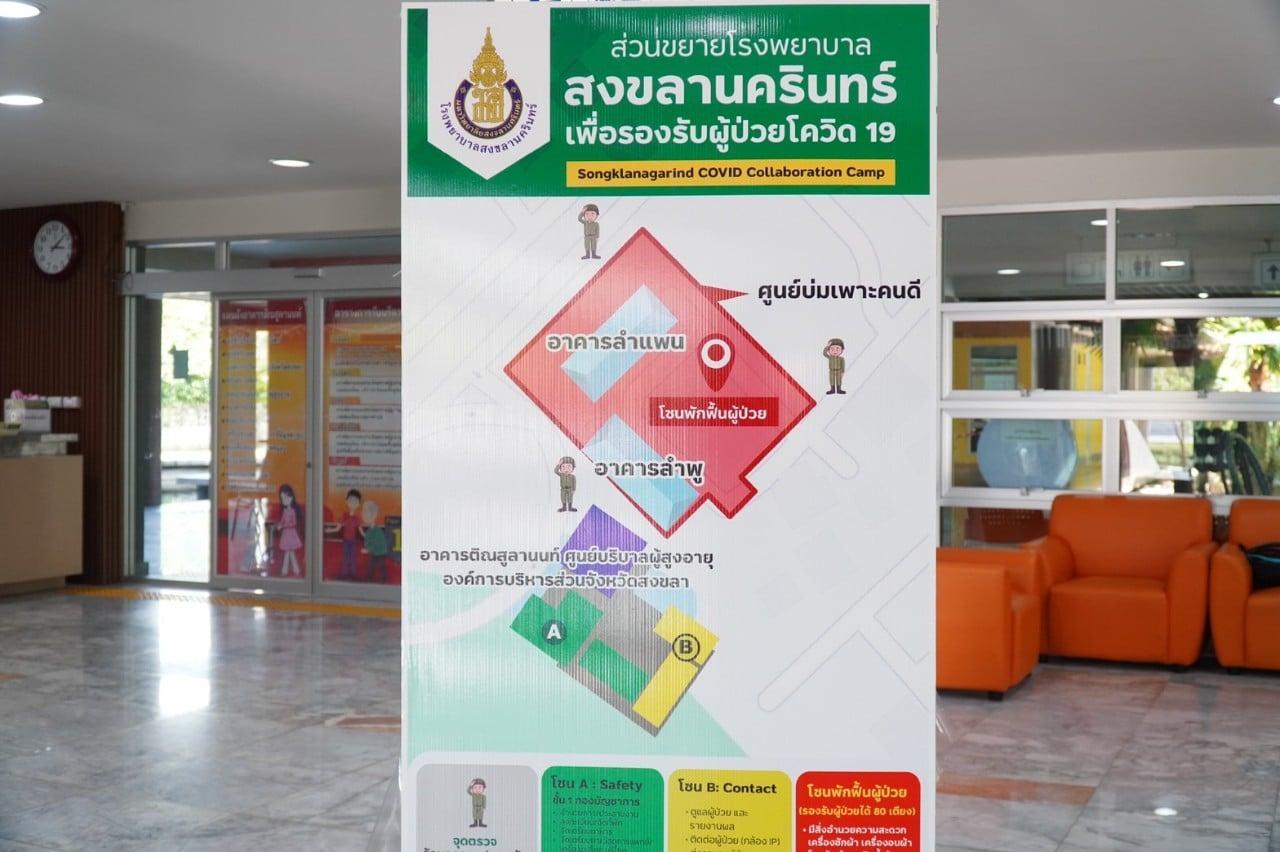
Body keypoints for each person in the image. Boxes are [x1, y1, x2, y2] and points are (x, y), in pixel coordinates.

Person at [325, 489, 363, 580]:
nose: (352, 503)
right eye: (350, 501)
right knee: (345, 557)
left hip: (353, 541)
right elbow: (337, 528)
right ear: (346, 501)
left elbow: (360, 530)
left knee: (352, 558)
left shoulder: (357, 518)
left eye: (355, 501)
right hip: (346, 541)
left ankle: (353, 574)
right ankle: (344, 573)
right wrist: (329, 530)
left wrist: (367, 536)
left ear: (358, 503)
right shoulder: (344, 516)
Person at [276, 484, 303, 577]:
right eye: (282, 498)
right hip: (286, 534)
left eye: (286, 498)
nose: (284, 500)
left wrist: (283, 526)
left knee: (289, 552)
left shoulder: (292, 511)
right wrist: (280, 524)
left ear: (291, 497)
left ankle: (287, 569)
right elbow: (282, 520)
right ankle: (294, 569)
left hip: (291, 534)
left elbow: (293, 523)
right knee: (289, 552)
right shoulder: (284, 511)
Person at [361, 499, 389, 583]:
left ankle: (383, 578)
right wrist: (361, 531)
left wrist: (367, 550)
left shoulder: (377, 531)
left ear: (374, 515)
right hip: (375, 552)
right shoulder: (370, 530)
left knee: (380, 565)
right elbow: (367, 537)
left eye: (366, 513)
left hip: (380, 552)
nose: (363, 515)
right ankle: (370, 577)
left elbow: (375, 542)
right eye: (363, 512)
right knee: (372, 565)